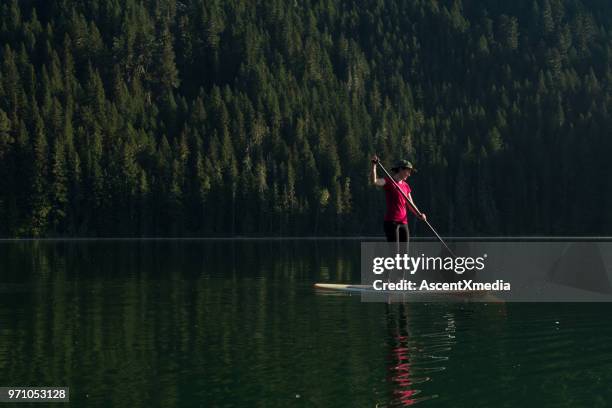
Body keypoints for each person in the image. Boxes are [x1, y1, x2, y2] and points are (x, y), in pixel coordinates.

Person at [370, 155, 426, 242]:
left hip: (404, 223)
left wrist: (419, 215)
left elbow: (411, 204)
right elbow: (375, 181)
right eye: (408, 171)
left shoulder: (406, 186)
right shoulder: (388, 181)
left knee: (405, 255)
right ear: (400, 170)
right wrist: (374, 165)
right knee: (394, 254)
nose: (409, 174)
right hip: (391, 222)